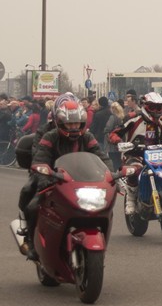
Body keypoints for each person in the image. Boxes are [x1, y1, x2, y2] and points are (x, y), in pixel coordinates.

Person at [21, 93, 113, 260]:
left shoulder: (87, 137)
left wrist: (111, 176)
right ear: (60, 121)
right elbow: (40, 156)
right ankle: (31, 241)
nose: (73, 127)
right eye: (69, 124)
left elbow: (101, 156)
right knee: (32, 204)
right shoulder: (49, 135)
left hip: (81, 181)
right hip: (52, 179)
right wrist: (44, 177)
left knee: (104, 205)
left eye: (76, 123)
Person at [109, 92, 162, 215]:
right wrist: (118, 141)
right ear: (145, 106)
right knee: (136, 169)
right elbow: (114, 133)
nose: (156, 110)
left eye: (159, 107)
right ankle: (131, 199)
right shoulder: (132, 118)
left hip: (158, 154)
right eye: (152, 107)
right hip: (134, 154)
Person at [104, 101, 125, 171]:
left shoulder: (112, 117)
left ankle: (115, 176)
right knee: (119, 160)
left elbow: (108, 129)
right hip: (119, 142)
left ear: (113, 109)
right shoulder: (122, 117)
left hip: (112, 144)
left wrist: (105, 131)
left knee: (113, 161)